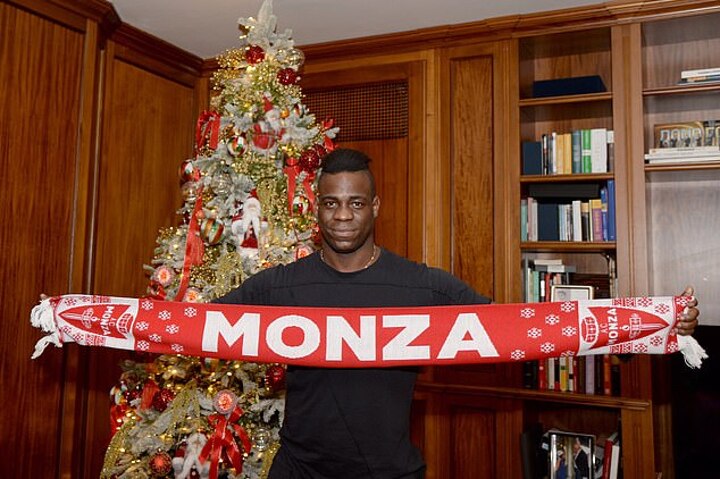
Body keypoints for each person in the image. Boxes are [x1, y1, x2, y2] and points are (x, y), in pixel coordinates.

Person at [215, 148, 700, 479]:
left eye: (356, 203)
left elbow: (519, 331)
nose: (342, 216)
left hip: (390, 471)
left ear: (375, 206)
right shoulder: (281, 285)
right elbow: (202, 325)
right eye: (331, 203)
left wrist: (648, 327)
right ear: (316, 208)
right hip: (299, 469)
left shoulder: (421, 285)